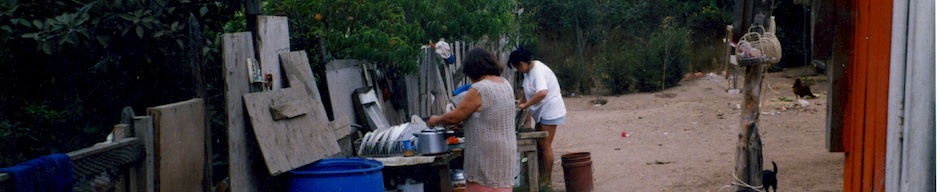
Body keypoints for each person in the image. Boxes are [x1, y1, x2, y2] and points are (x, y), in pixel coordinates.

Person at [427, 47, 517, 192]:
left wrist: (435, 120)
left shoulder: (479, 89)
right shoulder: (505, 84)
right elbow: (489, 116)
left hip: (485, 156)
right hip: (505, 154)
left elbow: (454, 117)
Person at [508, 48, 566, 187]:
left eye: (517, 67)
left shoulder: (538, 71)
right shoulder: (529, 72)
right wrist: (520, 102)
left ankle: (547, 181)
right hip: (542, 112)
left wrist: (525, 105)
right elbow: (525, 89)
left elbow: (542, 92)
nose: (518, 70)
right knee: (540, 146)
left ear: (521, 64)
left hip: (550, 111)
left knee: (545, 147)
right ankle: (540, 177)